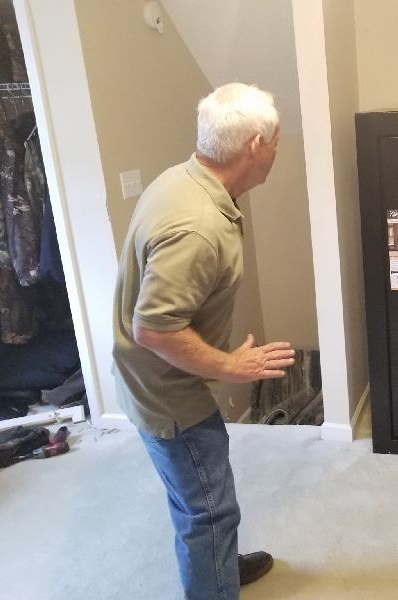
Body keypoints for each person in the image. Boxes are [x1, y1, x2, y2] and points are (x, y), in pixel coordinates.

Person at [112, 83, 296, 598]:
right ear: (255, 145)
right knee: (208, 510)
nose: (277, 150)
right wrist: (232, 367)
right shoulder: (196, 226)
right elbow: (154, 327)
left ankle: (219, 566)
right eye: (277, 141)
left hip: (160, 382)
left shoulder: (183, 178)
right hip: (171, 396)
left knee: (201, 498)